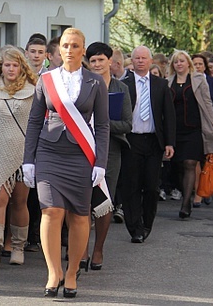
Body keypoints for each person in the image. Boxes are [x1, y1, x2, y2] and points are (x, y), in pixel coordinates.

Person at [23, 29, 110, 299]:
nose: (70, 50)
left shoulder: (96, 82)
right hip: (49, 152)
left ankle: (72, 272)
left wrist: (101, 162)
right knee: (51, 211)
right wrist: (29, 160)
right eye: (65, 45)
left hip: (81, 156)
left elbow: (104, 125)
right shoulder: (46, 80)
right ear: (58, 50)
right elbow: (35, 121)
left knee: (80, 215)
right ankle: (53, 271)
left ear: (83, 50)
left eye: (75, 46)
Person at [0, 46, 36, 268]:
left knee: (19, 202)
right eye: (7, 65)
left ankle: (18, 247)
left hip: (23, 154)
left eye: (15, 65)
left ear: (22, 67)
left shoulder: (34, 91)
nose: (11, 69)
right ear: (0, 67)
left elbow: (37, 125)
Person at [82, 41, 132, 270]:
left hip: (111, 150)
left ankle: (98, 248)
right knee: (81, 200)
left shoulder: (121, 88)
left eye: (101, 60)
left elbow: (127, 124)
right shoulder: (81, 85)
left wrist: (101, 124)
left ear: (110, 62)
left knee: (104, 201)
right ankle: (80, 248)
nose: (97, 64)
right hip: (81, 148)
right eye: (93, 60)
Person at [120, 46, 175, 242]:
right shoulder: (124, 84)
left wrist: (170, 142)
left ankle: (147, 223)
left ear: (151, 61)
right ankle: (134, 228)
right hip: (131, 140)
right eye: (137, 58)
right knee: (131, 185)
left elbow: (168, 115)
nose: (141, 61)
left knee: (151, 187)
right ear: (132, 61)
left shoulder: (161, 85)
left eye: (144, 58)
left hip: (153, 141)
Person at [167, 51, 213, 215]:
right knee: (177, 166)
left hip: (194, 129)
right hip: (174, 130)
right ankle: (186, 193)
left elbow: (207, 103)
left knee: (190, 163)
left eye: (182, 61)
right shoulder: (167, 82)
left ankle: (186, 203)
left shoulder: (198, 80)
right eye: (176, 61)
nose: (179, 64)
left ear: (188, 63)